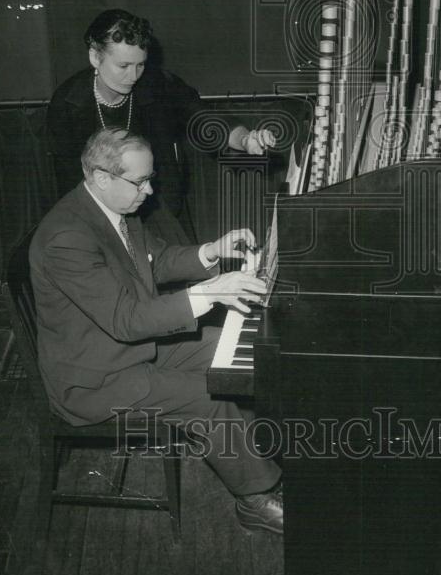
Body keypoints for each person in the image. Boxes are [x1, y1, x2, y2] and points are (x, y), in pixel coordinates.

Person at [29, 127, 284, 535]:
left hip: (128, 349)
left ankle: (254, 455)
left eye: (150, 179)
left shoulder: (112, 209)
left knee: (236, 351)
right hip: (96, 378)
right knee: (209, 395)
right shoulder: (68, 238)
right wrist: (209, 292)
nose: (149, 191)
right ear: (101, 177)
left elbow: (157, 260)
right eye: (140, 181)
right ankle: (256, 499)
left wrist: (210, 251)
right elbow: (126, 320)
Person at [46, 9, 276, 241]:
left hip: (160, 206)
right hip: (103, 218)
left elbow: (201, 117)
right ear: (95, 57)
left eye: (140, 65)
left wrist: (245, 139)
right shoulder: (68, 104)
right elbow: (71, 185)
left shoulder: (156, 84)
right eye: (123, 66)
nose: (133, 76)